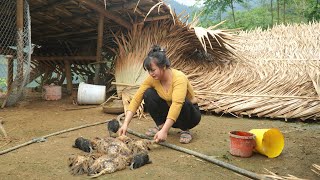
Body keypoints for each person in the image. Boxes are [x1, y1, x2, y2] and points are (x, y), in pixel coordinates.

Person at [118, 45, 201, 144]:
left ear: (164, 66)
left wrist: (165, 132)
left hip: (189, 115)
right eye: (148, 71)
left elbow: (176, 105)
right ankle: (161, 126)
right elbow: (136, 99)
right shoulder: (152, 79)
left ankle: (184, 129)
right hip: (170, 115)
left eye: (153, 70)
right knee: (148, 94)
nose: (150, 74)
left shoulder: (179, 78)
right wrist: (125, 124)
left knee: (183, 102)